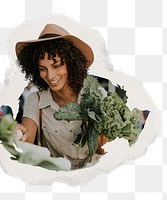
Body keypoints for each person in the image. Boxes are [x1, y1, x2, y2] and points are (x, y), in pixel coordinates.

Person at [15, 23, 107, 169]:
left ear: (71, 64)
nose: (50, 76)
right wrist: (18, 134)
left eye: (56, 66)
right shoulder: (36, 100)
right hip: (56, 179)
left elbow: (103, 151)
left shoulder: (96, 96)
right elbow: (27, 138)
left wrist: (103, 141)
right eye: (42, 69)